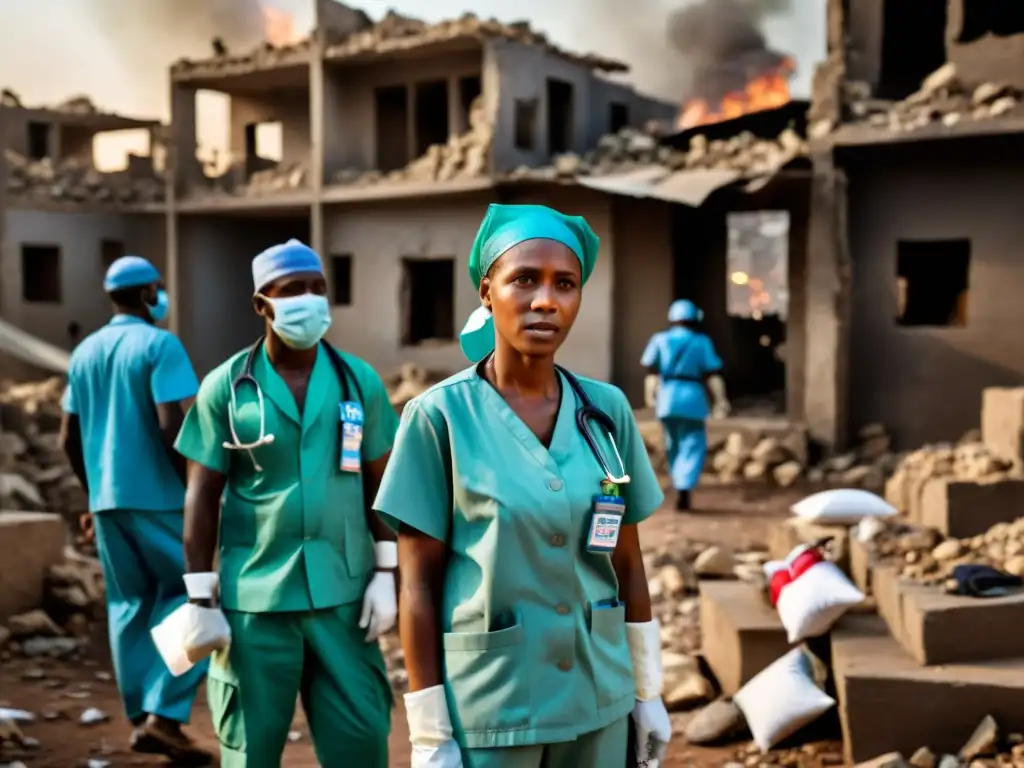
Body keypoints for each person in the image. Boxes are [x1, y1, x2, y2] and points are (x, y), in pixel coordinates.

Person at [374, 204, 673, 768]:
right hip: (493, 706)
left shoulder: (605, 411)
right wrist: (430, 731)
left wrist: (647, 692)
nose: (545, 300)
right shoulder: (437, 418)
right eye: (525, 280)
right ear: (487, 291)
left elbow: (628, 565)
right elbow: (417, 586)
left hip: (598, 701)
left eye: (565, 283)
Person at [174, 239, 399, 768]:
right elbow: (201, 498)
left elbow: (382, 487)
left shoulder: (357, 382)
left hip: (343, 600)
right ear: (262, 305)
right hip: (256, 605)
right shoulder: (226, 388)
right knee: (250, 751)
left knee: (363, 742)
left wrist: (387, 572)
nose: (309, 300)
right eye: (293, 290)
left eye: (318, 288)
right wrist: (199, 598)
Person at [58, 256, 212, 764]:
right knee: (199, 596)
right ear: (149, 293)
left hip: (107, 505)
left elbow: (68, 437)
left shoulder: (84, 353)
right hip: (160, 498)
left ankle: (140, 715)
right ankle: (163, 716)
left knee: (128, 608)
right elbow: (173, 425)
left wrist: (94, 494)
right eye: (158, 289)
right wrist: (196, 485)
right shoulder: (160, 345)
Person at [641, 299, 731, 512]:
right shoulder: (701, 342)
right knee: (693, 443)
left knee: (673, 443)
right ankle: (684, 487)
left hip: (667, 398)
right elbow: (713, 374)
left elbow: (651, 373)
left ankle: (678, 480)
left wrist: (650, 397)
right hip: (692, 397)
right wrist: (721, 400)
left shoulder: (659, 339)